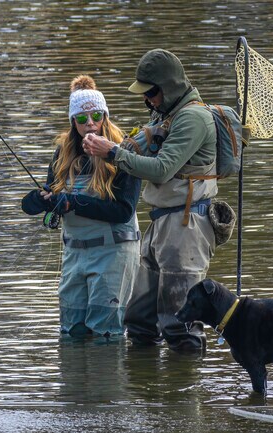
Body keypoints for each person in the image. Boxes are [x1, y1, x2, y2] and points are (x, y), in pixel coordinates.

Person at [83, 49, 218, 352]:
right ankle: (145, 394)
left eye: (152, 92)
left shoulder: (194, 118)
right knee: (139, 319)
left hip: (186, 226)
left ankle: (181, 395)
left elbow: (162, 168)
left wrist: (113, 153)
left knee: (179, 324)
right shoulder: (165, 114)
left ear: (168, 86)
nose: (147, 100)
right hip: (161, 223)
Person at [22, 75, 141, 338]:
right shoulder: (62, 153)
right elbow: (52, 191)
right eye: (82, 118)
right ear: (72, 121)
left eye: (97, 116)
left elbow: (123, 211)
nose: (91, 124)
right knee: (71, 332)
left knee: (104, 334)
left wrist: (74, 202)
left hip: (113, 252)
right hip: (75, 254)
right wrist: (38, 202)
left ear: (105, 116)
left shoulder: (123, 152)